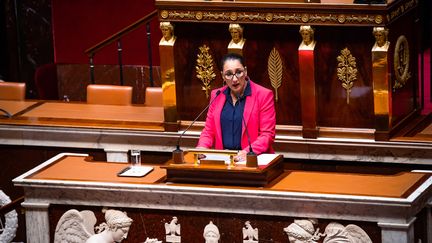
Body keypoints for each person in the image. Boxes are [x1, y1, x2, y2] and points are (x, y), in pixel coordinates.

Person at [196, 53, 276, 162]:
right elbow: (209, 131)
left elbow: (267, 135)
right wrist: (202, 147)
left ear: (246, 71)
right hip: (224, 161)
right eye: (228, 74)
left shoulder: (263, 95)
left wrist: (247, 152)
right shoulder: (217, 95)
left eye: (239, 72)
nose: (234, 79)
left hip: (254, 159)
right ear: (223, 76)